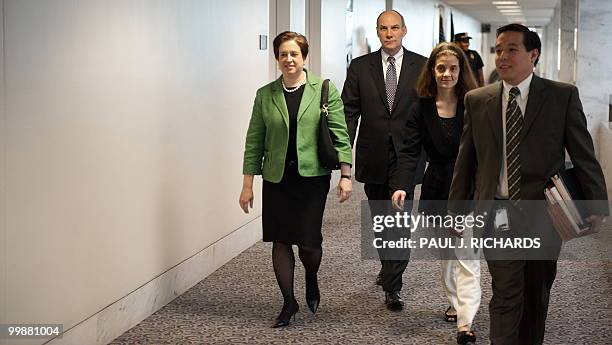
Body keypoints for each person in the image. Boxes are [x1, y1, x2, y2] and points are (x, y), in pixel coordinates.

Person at [447, 24, 608, 344]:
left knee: (536, 295)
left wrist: (595, 203)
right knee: (505, 294)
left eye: (512, 49)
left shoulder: (561, 96)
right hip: (497, 212)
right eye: (498, 50)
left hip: (545, 215)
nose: (502, 57)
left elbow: (583, 154)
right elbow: (466, 162)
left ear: (533, 54)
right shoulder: (478, 100)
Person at [239, 31, 353, 328]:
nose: (288, 59)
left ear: (304, 57)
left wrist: (345, 175)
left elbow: (341, 136)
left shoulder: (324, 89)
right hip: (277, 179)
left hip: (312, 179)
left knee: (309, 244)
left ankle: (311, 277)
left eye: (294, 54)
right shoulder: (266, 95)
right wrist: (248, 184)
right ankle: (289, 302)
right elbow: (254, 140)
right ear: (276, 58)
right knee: (280, 239)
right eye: (283, 54)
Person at [390, 42, 480, 344]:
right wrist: (402, 185)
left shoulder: (475, 103)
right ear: (432, 70)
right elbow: (409, 151)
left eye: (453, 68)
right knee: (447, 255)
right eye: (441, 68)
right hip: (437, 185)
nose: (447, 74)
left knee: (467, 254)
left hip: (468, 184)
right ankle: (455, 302)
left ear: (460, 71)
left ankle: (466, 322)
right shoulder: (421, 108)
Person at [341, 10, 427, 311]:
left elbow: (430, 112)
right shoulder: (360, 67)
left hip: (408, 156)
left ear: (404, 30)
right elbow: (348, 113)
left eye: (394, 28)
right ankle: (387, 267)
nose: (389, 34)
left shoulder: (423, 66)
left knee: (400, 221)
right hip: (373, 154)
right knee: (380, 221)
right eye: (383, 29)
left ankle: (393, 287)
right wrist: (343, 159)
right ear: (378, 32)